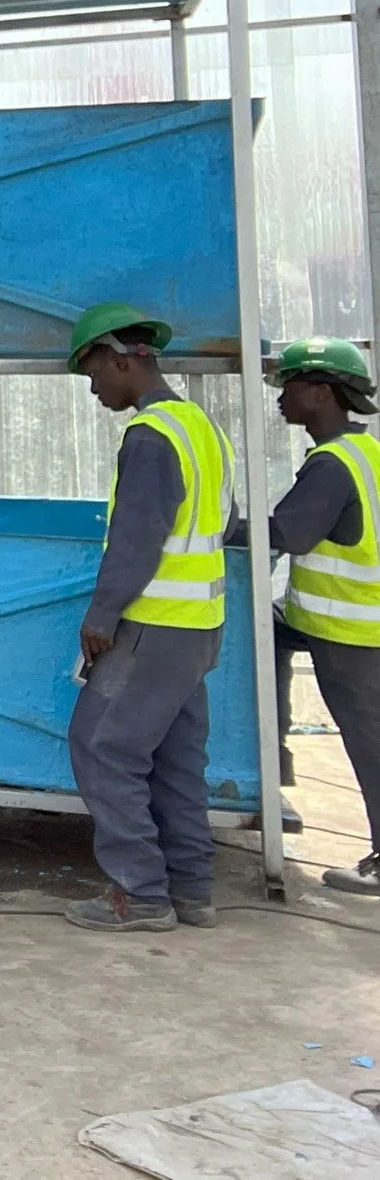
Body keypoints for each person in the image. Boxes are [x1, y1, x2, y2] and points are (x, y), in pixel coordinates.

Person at [62, 300, 238, 934]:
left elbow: (137, 538)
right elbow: (230, 522)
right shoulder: (202, 429)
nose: (93, 388)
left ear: (120, 360)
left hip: (154, 626)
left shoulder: (150, 436)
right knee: (176, 760)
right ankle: (192, 891)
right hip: (198, 631)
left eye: (93, 374)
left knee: (101, 747)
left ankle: (139, 896)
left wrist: (102, 615)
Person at [257, 336, 380, 896]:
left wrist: (215, 525)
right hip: (345, 620)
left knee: (368, 739)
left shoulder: (332, 465)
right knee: (266, 629)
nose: (281, 396)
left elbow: (285, 533)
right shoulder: (366, 452)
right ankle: (272, 752)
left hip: (349, 629)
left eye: (291, 386)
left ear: (323, 393)